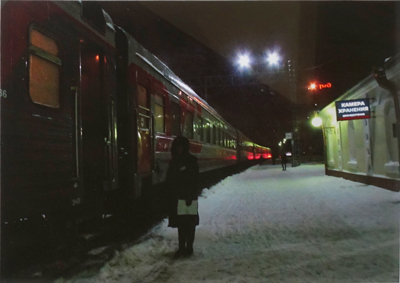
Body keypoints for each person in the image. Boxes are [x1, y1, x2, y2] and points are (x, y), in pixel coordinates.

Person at [165, 136, 200, 257]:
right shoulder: (174, 161)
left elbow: (194, 180)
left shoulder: (191, 161)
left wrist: (191, 195)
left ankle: (189, 248)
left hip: (187, 196)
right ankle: (182, 247)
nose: (178, 149)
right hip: (178, 196)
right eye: (177, 147)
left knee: (189, 224)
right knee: (181, 224)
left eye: (180, 147)